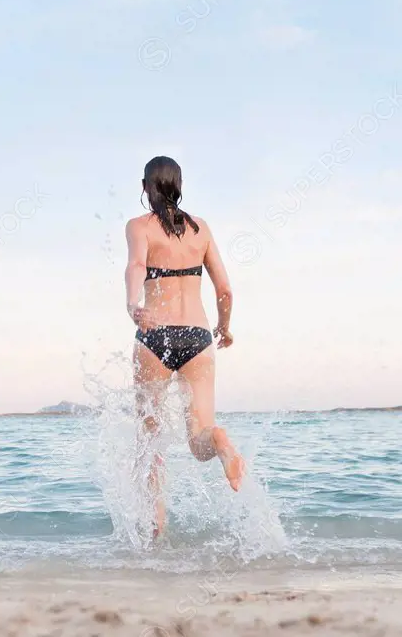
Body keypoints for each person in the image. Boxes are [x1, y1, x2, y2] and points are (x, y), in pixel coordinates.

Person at [124, 155, 246, 539]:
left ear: (145, 187)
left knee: (150, 441)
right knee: (199, 437)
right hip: (197, 335)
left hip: (154, 335)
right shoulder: (201, 230)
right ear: (180, 185)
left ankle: (156, 529)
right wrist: (224, 329)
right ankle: (220, 442)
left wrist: (133, 306)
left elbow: (135, 267)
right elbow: (224, 289)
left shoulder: (139, 227)